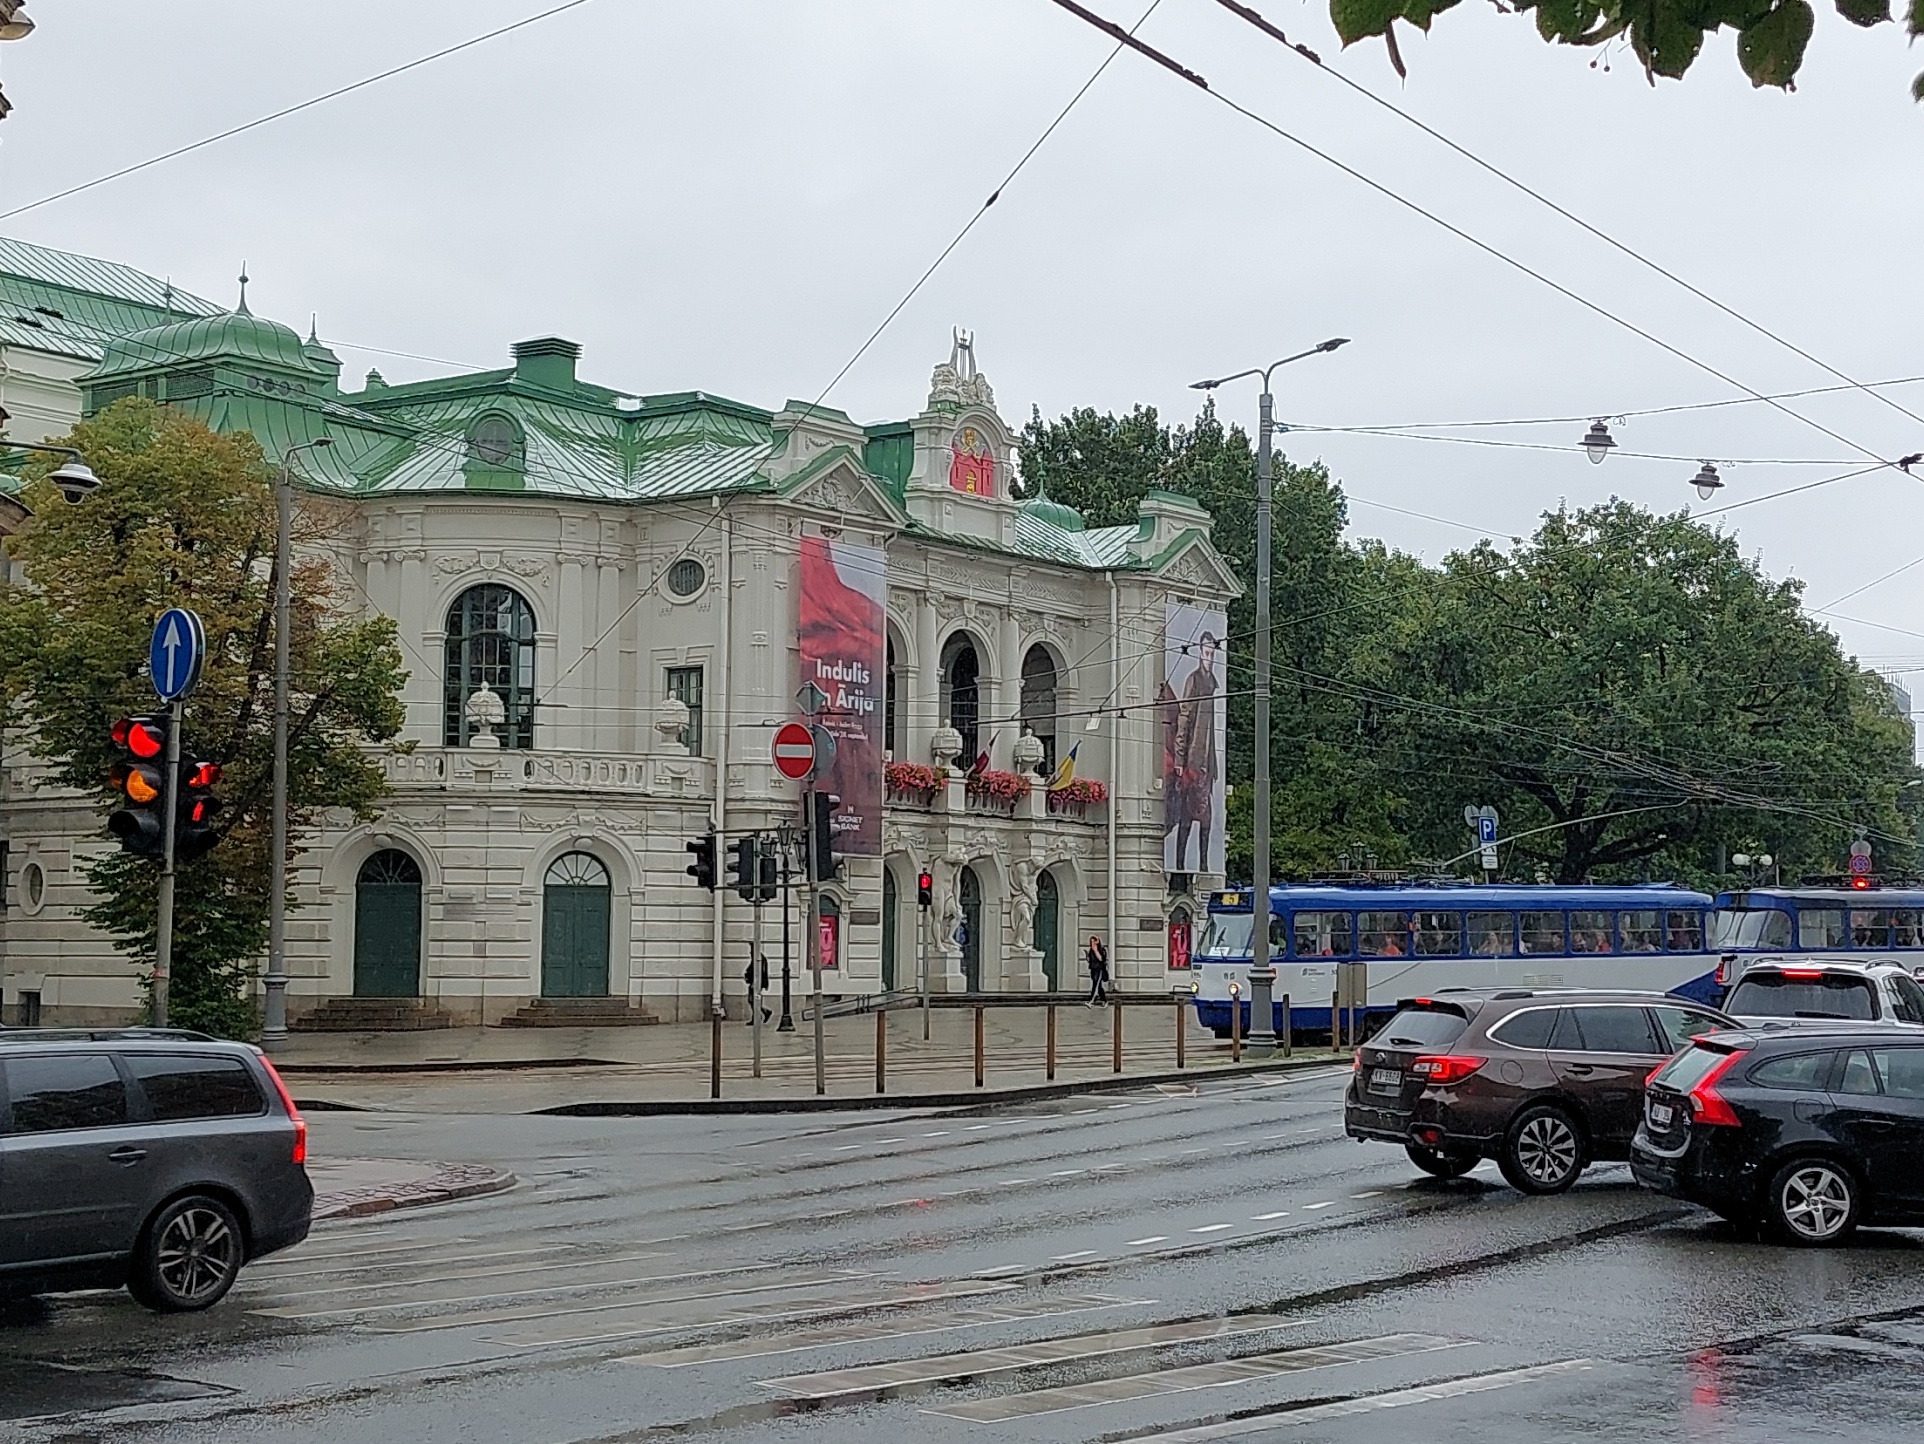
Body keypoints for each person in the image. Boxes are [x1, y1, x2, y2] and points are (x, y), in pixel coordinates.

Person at [742, 954, 771, 1024]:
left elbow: (758, 971)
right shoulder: (758, 958)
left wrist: (754, 982)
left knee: (753, 1000)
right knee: (753, 1000)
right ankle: (763, 1013)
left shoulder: (758, 958)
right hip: (756, 983)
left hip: (755, 983)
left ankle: (759, 1015)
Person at [1085, 934, 1110, 1005]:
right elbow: (1090, 960)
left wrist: (1096, 951)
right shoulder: (1091, 950)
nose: (1092, 943)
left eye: (1094, 941)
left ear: (1097, 942)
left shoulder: (1101, 950)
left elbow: (1101, 959)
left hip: (1099, 969)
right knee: (1098, 986)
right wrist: (1087, 957)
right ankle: (1104, 1000)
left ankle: (1091, 1000)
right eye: (1091, 942)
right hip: (1093, 969)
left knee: (1096, 985)